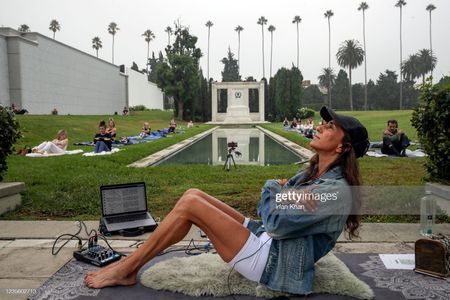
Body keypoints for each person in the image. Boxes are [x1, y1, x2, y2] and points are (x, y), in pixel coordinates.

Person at [84, 106, 370, 295]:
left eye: (330, 126)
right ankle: (130, 265)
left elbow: (278, 222)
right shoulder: (312, 175)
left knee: (190, 207)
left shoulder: (336, 192)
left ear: (343, 146)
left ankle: (126, 269)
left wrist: (272, 188)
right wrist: (282, 198)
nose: (321, 126)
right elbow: (277, 215)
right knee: (192, 194)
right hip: (265, 239)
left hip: (271, 262)